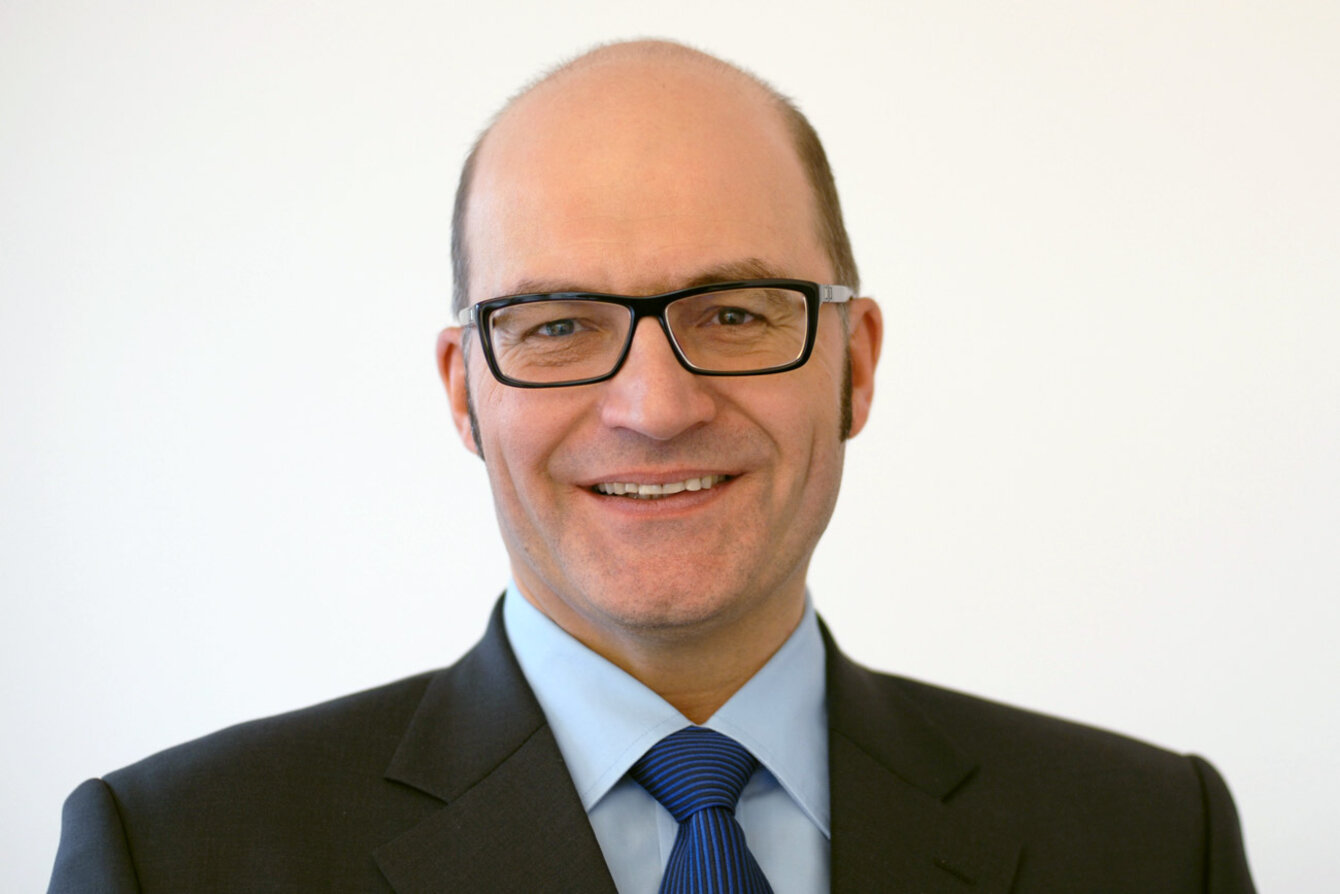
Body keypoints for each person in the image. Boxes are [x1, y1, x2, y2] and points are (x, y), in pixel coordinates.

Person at [48, 39, 1256, 893]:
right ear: (464, 390)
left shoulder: (1151, 843)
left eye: (732, 313)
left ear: (853, 364)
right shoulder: (176, 858)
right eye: (557, 325)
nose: (654, 407)